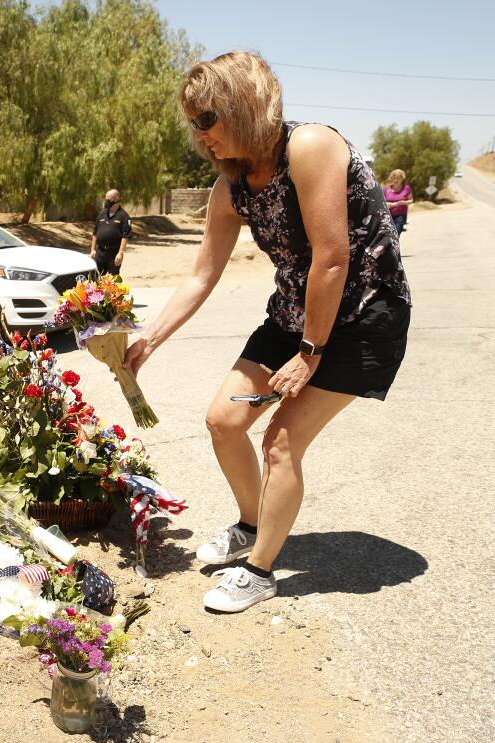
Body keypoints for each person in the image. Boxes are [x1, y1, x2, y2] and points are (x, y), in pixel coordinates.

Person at [124, 51, 412, 613]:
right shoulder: (229, 188)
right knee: (223, 420)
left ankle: (259, 571)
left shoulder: (309, 147)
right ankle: (253, 525)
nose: (199, 135)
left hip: (362, 318)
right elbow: (203, 272)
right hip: (293, 315)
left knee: (280, 441)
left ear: (244, 106)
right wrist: (149, 340)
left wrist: (310, 353)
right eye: (194, 124)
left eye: (207, 119)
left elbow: (333, 257)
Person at [89, 189, 130, 275]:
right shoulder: (102, 214)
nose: (106, 202)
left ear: (116, 199)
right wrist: (92, 250)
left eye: (108, 200)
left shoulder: (124, 216)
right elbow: (95, 233)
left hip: (114, 253)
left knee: (113, 281)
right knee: (96, 279)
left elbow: (125, 236)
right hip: (100, 252)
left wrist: (120, 253)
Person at [384, 169, 413, 235]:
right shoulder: (386, 189)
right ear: (391, 178)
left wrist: (404, 202)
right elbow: (381, 202)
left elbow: (411, 200)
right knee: (387, 235)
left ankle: (393, 244)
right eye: (394, 178)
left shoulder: (406, 188)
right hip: (387, 215)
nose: (396, 180)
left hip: (400, 216)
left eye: (398, 178)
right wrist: (388, 204)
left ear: (402, 179)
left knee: (395, 234)